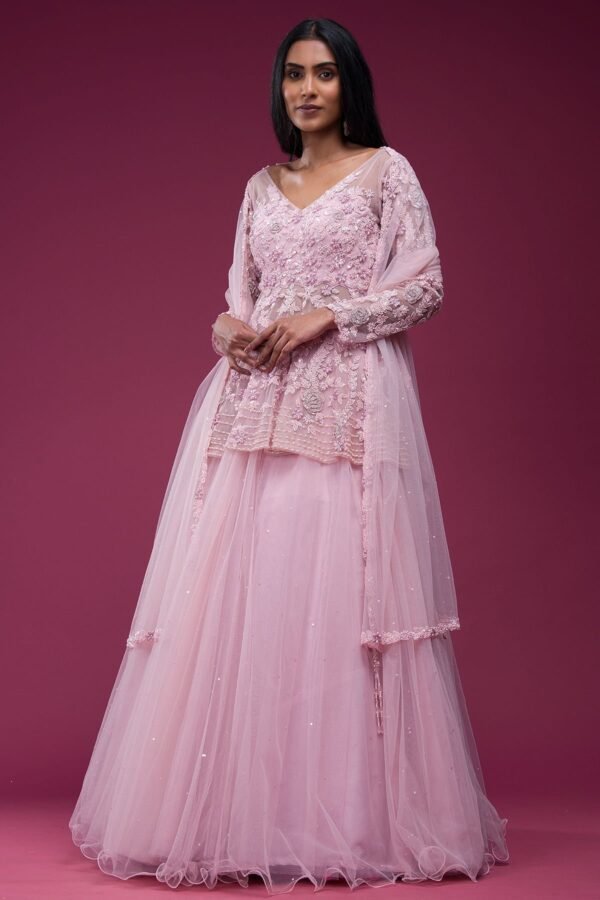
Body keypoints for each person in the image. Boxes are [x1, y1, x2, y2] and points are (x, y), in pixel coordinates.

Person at [69, 17, 510, 893]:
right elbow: (240, 298)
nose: (307, 89)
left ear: (351, 85)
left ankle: (337, 823)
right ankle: (236, 819)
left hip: (347, 406)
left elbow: (425, 285)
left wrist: (329, 317)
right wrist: (227, 327)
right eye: (294, 75)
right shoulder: (259, 186)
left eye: (325, 74)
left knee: (335, 598)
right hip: (250, 407)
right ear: (279, 88)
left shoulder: (387, 172)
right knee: (248, 598)